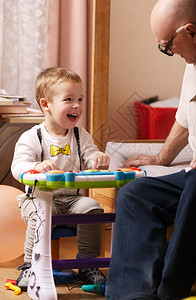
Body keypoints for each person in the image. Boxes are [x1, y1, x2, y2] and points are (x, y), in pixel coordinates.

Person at [106, 0, 196, 299]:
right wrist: (160, 158)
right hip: (193, 173)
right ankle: (132, 294)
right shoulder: (192, 65)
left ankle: (170, 291)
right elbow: (184, 120)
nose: (170, 54)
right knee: (136, 195)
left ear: (190, 31)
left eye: (167, 45)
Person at [11, 67, 110, 290]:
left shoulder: (79, 134)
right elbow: (17, 167)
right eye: (69, 99)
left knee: (93, 207)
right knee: (41, 211)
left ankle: (88, 263)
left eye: (80, 99)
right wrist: (36, 166)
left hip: (72, 200)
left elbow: (90, 154)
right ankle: (29, 265)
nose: (77, 105)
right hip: (39, 199)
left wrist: (97, 158)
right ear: (46, 105)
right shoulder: (32, 136)